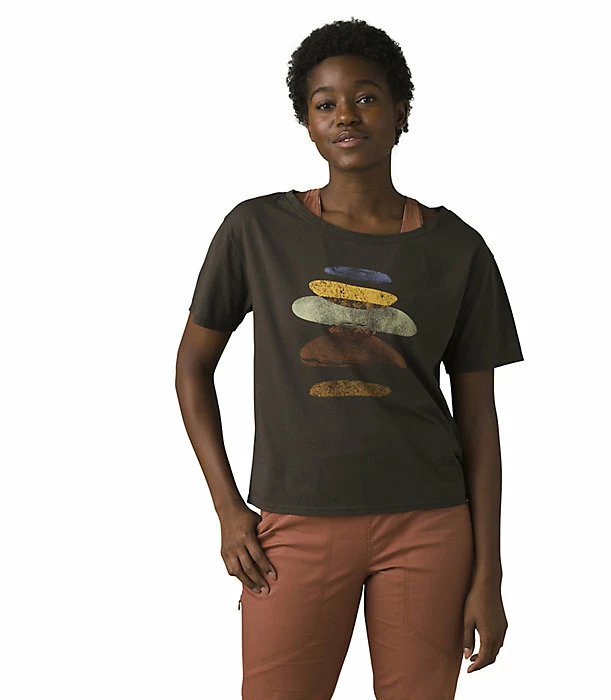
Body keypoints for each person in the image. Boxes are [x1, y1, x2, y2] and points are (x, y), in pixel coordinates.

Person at [175, 17, 524, 700]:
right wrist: (228, 509)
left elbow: (479, 422)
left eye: (366, 97)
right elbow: (192, 367)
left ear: (400, 111)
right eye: (325, 102)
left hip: (429, 526)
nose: (346, 115)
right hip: (294, 523)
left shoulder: (458, 249)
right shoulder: (256, 231)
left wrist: (490, 572)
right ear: (306, 121)